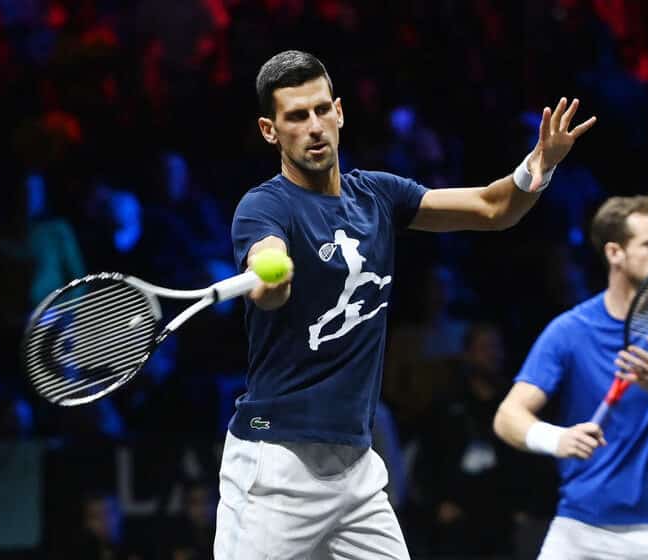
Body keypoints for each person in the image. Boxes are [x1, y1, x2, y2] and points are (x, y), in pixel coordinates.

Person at [215, 49, 596, 559]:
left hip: (356, 469)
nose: (315, 127)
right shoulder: (264, 206)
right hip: (275, 465)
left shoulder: (377, 196)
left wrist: (539, 166)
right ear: (270, 130)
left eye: (322, 110)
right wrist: (273, 273)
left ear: (340, 112)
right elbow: (268, 276)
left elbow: (493, 208)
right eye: (297, 116)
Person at [493, 195, 648, 559]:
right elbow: (507, 417)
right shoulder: (570, 330)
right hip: (584, 530)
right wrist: (557, 438)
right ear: (614, 253)